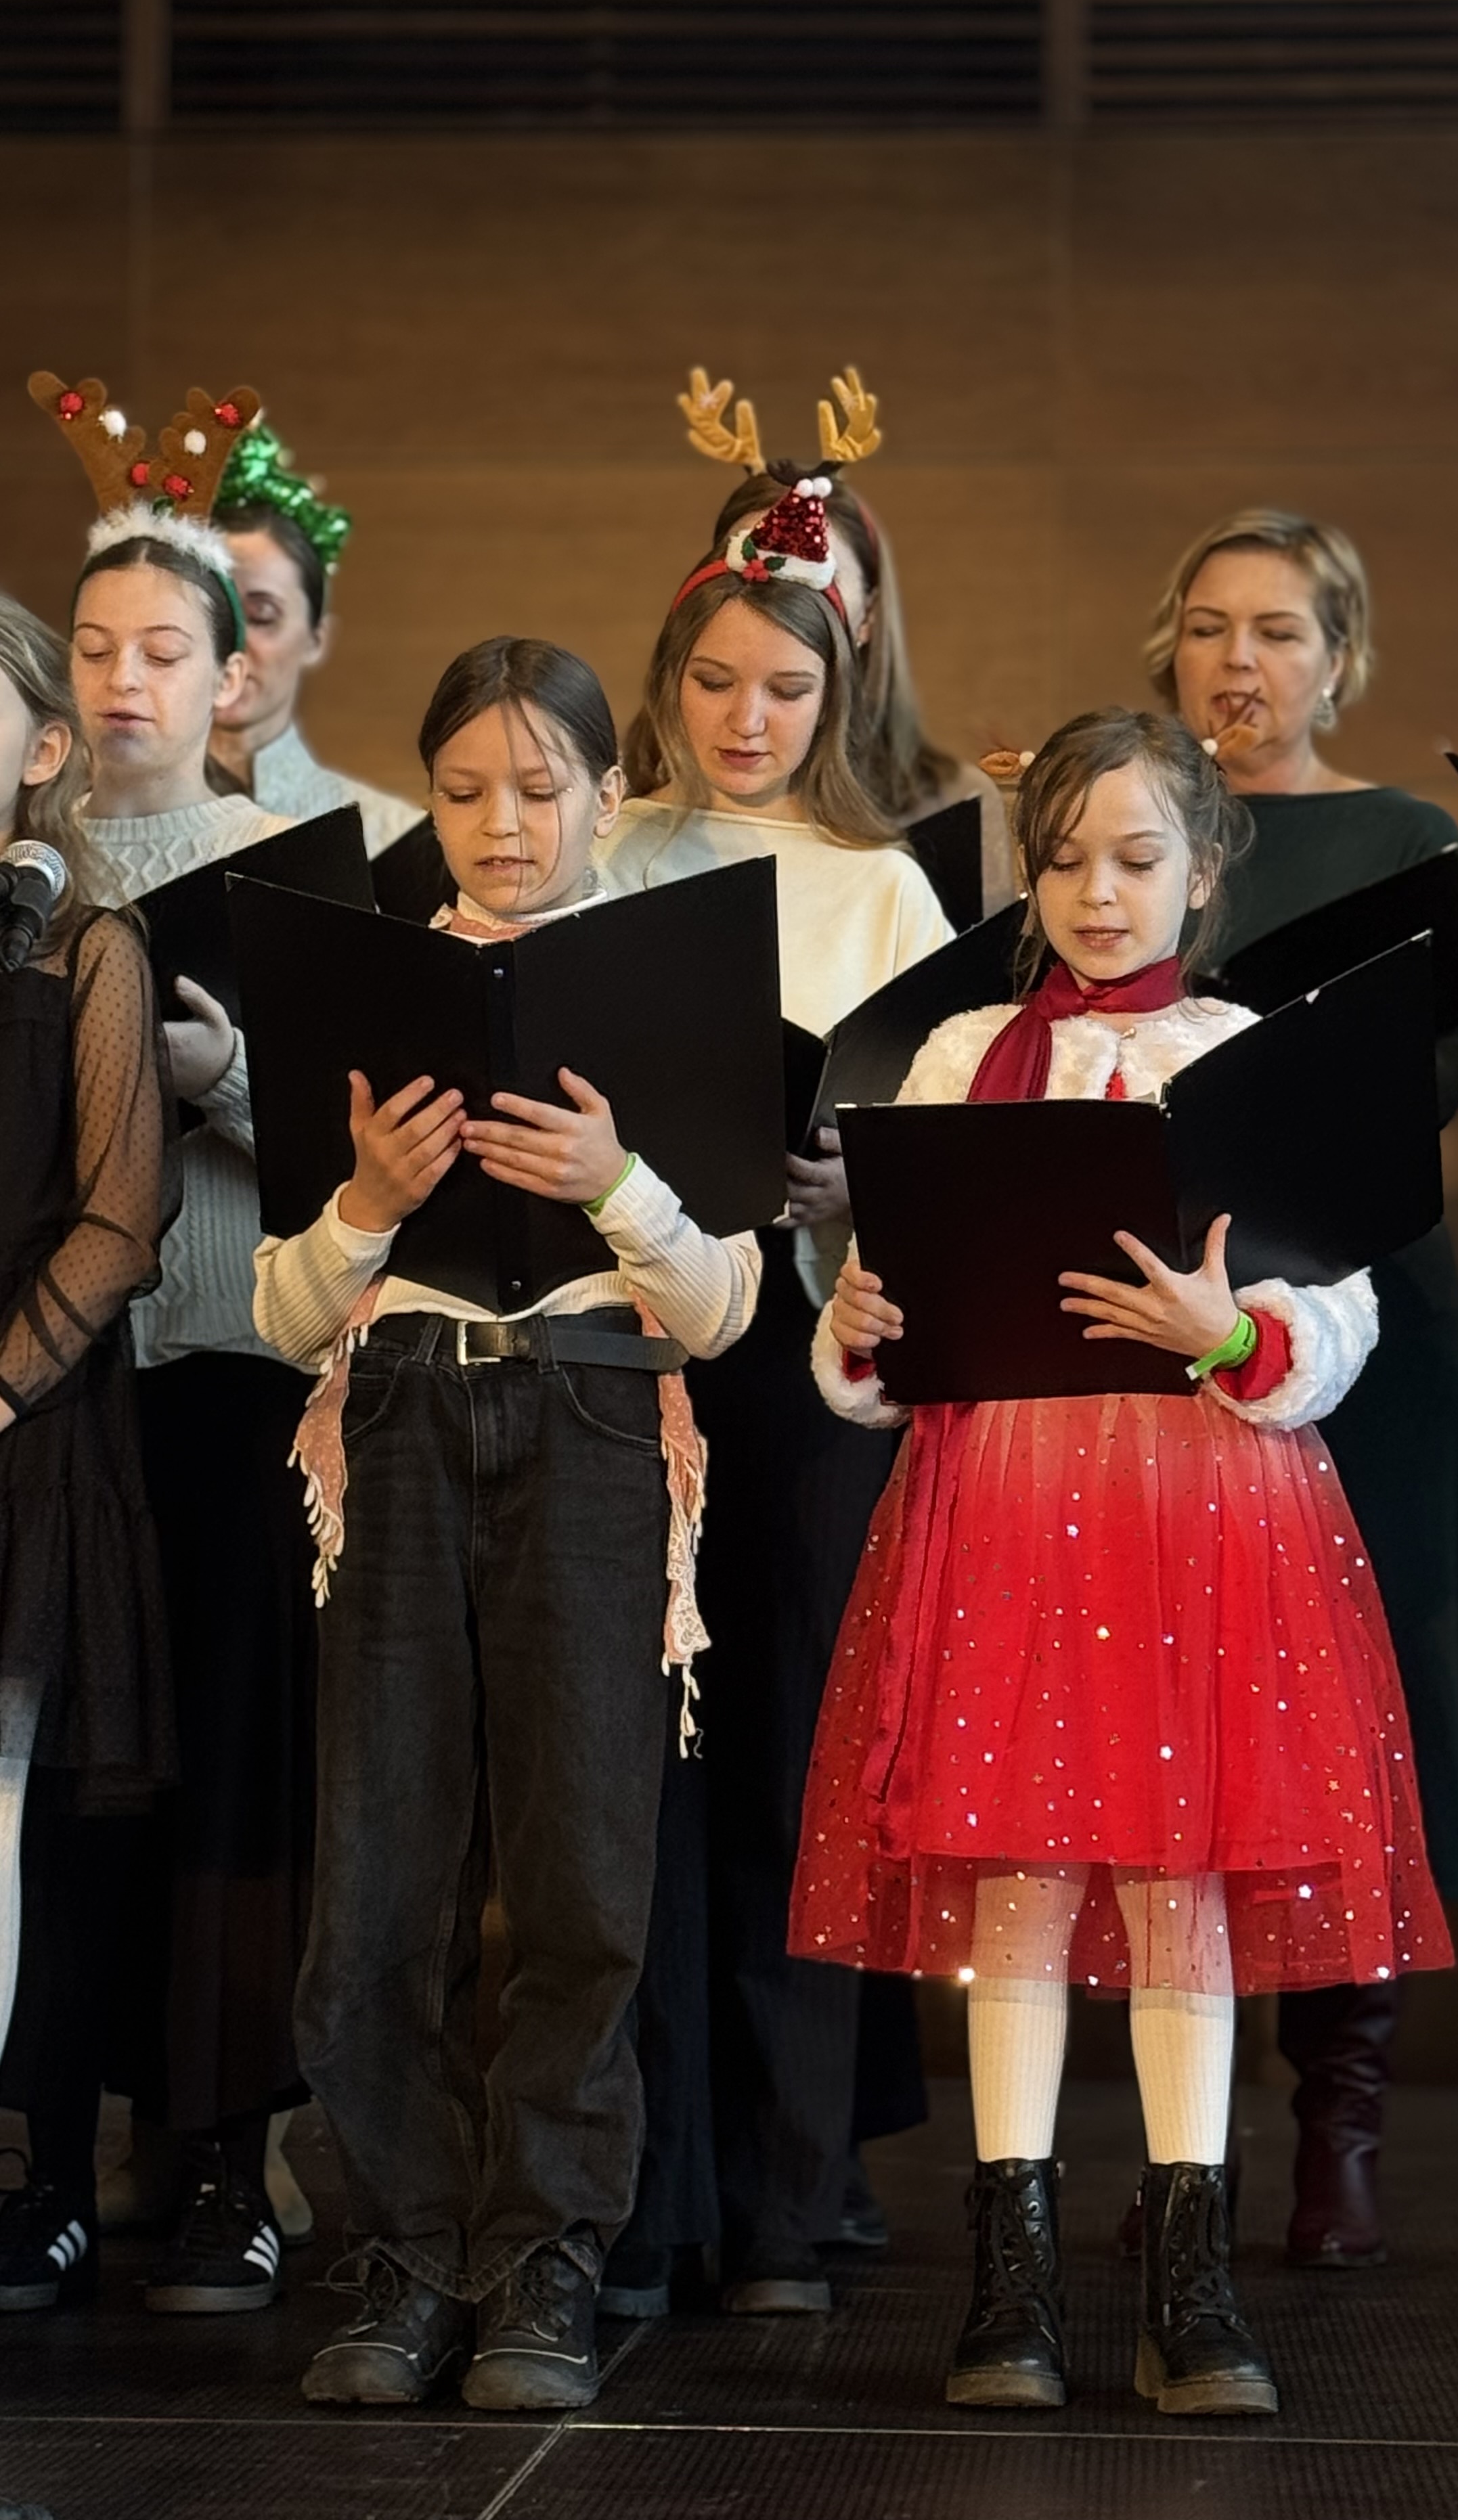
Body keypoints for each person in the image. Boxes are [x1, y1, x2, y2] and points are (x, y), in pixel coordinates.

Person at [790, 709, 1453, 2416]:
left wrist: (1226, 1329)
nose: (1098, 892)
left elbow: (1341, 1308)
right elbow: (891, 1317)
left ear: (1205, 871)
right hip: (1007, 1510)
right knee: (1016, 1877)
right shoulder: (961, 1055)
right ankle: (1008, 2278)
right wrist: (861, 1319)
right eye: (1067, 860)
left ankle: (1190, 2277)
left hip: (1200, 1518)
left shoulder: (1249, 1051)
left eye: (1139, 859)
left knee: (1181, 1884)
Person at [252, 635, 760, 2411]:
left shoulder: (670, 991)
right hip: (399, 1421)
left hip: (596, 1427)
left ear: (608, 794)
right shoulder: (371, 991)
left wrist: (618, 1185)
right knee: (378, 1872)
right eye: (464, 791)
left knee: (580, 1875)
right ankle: (404, 2250)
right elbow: (280, 1313)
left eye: (540, 790)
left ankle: (544, 2257)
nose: (503, 825)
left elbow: (723, 1311)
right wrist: (365, 1204)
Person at [596, 472, 952, 2314]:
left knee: (791, 1769)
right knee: (630, 1782)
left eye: (786, 690)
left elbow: (939, 1145)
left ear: (840, 694)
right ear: (669, 680)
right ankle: (645, 2193)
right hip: (621, 1359)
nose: (747, 720)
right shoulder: (603, 847)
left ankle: (788, 2201)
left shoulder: (880, 881)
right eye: (716, 682)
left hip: (801, 1370)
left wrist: (846, 1178)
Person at [1149, 507, 1458, 2266]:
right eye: (1210, 626)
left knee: (1363, 1714)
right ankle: (1185, 2139)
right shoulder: (1130, 822)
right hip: (1168, 1322)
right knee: (1188, 1716)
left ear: (1336, 659)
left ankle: (1336, 2126)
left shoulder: (1402, 839)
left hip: (1365, 1320)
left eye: (1278, 631)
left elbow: (1439, 1070)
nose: (1239, 661)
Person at [49, 425, 319, 2312]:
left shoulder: (283, 876)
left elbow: (365, 1154)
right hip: (67, 1381)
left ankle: (228, 2153)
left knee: (230, 1761)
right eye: (94, 649)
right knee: (80, 1769)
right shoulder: (28, 872)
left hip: (232, 1360)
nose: (125, 681)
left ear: (233, 674)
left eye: (165, 650)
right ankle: (61, 2148)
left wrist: (228, 1082)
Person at [0, 593, 177, 2310]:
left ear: (44, 750)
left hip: (27, 1423)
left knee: (0, 1818)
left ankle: (17, 2168)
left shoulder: (83, 947)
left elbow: (121, 1216)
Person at [677, 367, 1015, 914]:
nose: (781, 597)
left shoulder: (948, 804)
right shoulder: (631, 806)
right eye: (758, 561)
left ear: (867, 617)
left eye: (815, 575)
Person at [210, 420, 420, 851]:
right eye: (211, 613)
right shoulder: (85, 826)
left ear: (315, 639)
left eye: (262, 616)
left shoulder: (392, 838)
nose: (232, 642)